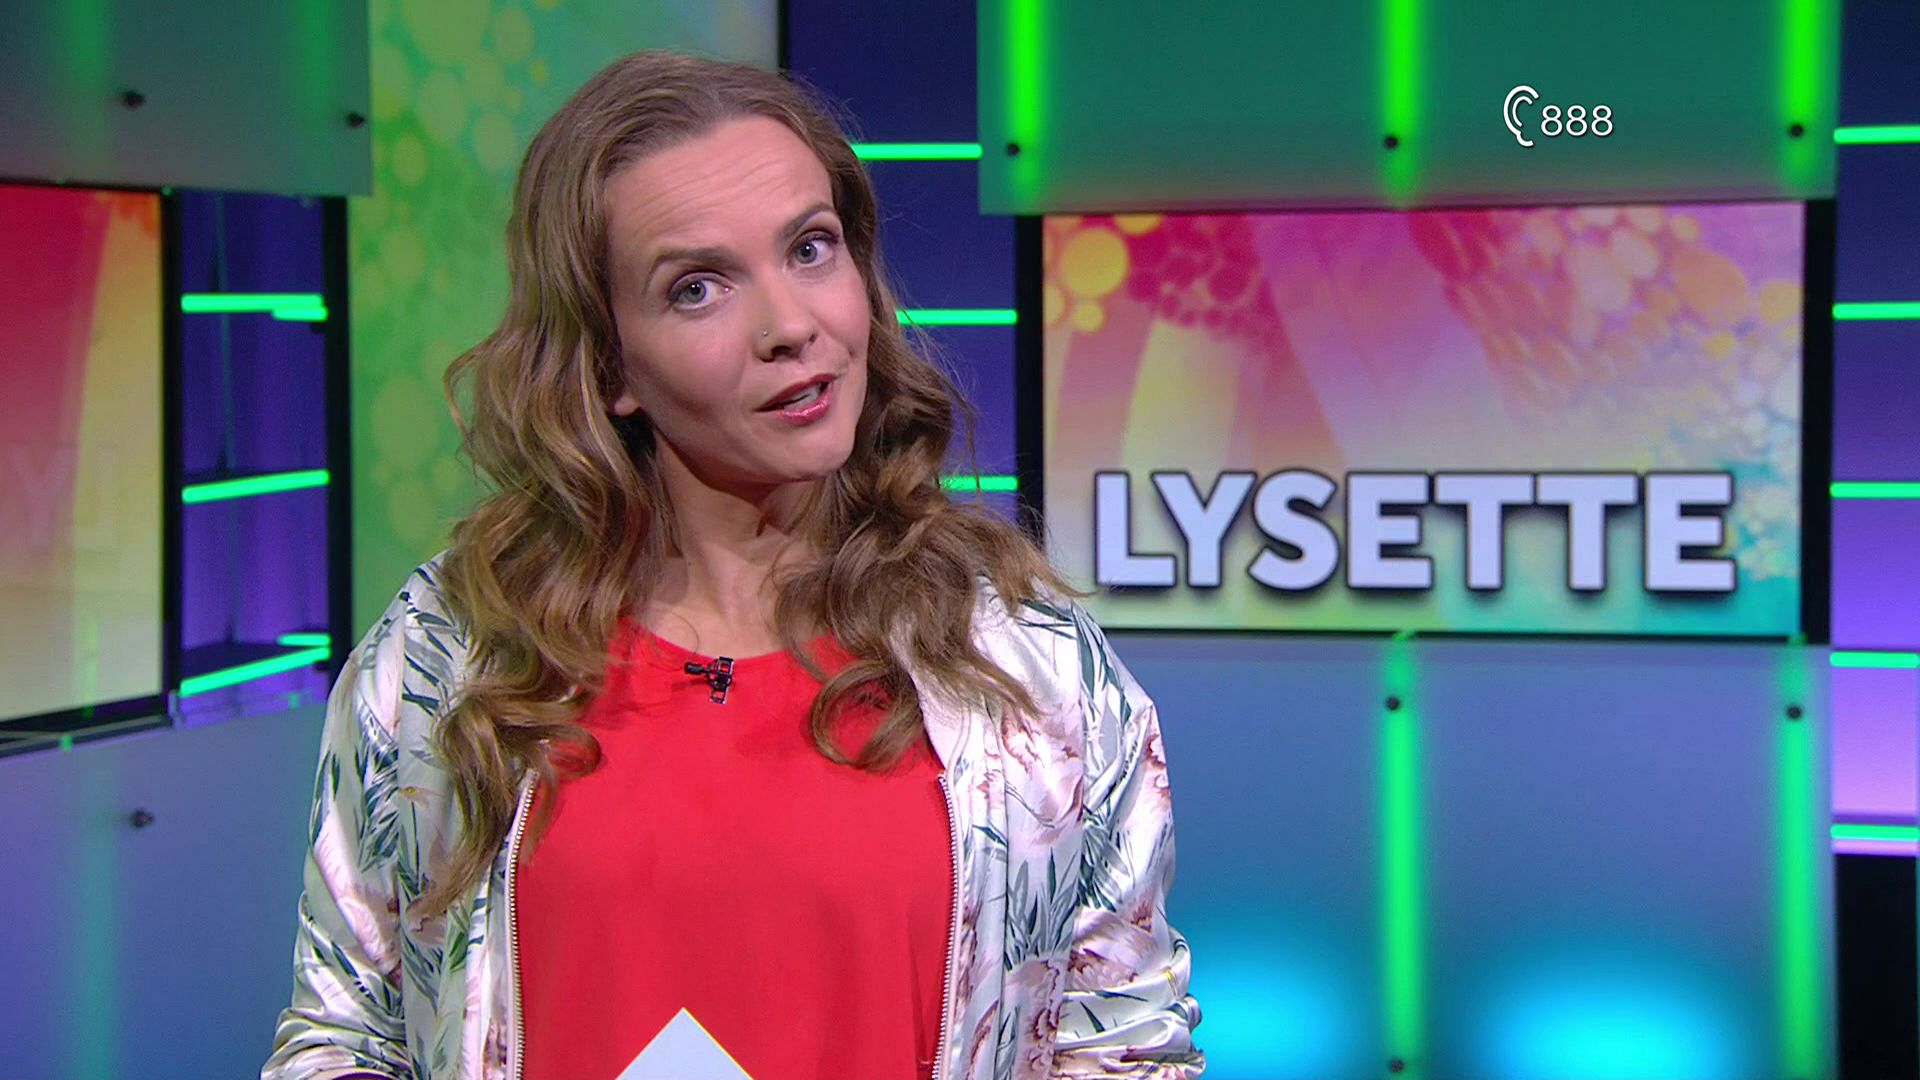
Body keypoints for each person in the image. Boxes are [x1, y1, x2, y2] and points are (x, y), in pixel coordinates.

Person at [262, 49, 1202, 1080]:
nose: (791, 326)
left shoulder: (1027, 666)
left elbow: (1123, 1049)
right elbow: (347, 1034)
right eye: (698, 288)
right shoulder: (455, 656)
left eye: (811, 248)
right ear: (609, 363)